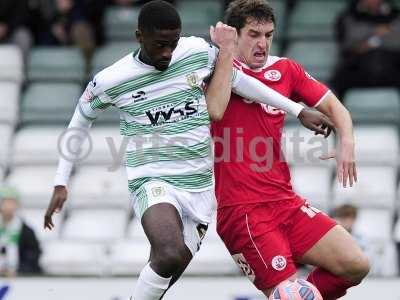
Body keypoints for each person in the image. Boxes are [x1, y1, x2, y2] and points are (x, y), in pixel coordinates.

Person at [43, 1, 334, 299]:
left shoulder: (195, 51)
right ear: (139, 36)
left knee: (172, 262)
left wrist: (297, 111)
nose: (168, 53)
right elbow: (80, 122)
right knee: (168, 252)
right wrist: (60, 180)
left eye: (173, 44)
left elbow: (240, 81)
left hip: (198, 186)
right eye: (160, 45)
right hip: (152, 178)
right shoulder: (112, 80)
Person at [211, 1, 370, 299]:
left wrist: (346, 142)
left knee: (355, 264)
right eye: (254, 35)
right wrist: (225, 52)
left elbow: (336, 108)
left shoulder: (285, 69)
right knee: (288, 294)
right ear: (234, 35)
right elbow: (215, 111)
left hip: (285, 201)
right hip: (243, 210)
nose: (263, 44)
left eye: (269, 35)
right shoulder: (217, 68)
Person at [331, 0, 400, 98]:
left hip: (392, 67)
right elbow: (348, 44)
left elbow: (397, 41)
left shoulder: (395, 14)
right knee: (339, 80)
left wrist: (366, 41)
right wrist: (377, 37)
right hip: (358, 67)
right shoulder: (348, 15)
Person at [0, 187, 42, 276]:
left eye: (12, 202)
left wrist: (18, 270)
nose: (8, 206)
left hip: (19, 278)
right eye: (5, 202)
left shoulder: (26, 231)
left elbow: (33, 256)